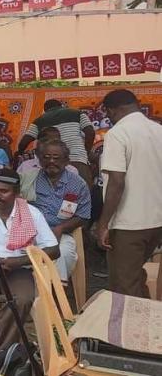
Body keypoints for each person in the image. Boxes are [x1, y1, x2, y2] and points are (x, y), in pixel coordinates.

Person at [0, 169, 59, 352]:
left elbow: (54, 250)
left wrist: (18, 262)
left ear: (16, 192)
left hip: (17, 267)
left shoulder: (31, 213)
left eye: (3, 191)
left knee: (22, 299)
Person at [95, 89, 162, 298]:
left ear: (112, 111)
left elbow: (117, 181)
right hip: (156, 221)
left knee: (124, 286)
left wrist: (103, 224)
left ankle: (135, 330)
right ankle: (149, 322)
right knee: (135, 279)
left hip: (129, 224)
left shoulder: (118, 134)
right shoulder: (158, 130)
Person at [22, 140, 91, 282]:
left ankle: (56, 292)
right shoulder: (28, 179)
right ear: (40, 160)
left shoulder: (78, 184)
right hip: (28, 233)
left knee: (64, 253)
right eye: (46, 157)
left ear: (66, 161)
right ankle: (28, 291)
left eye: (56, 158)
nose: (51, 161)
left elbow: (83, 216)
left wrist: (61, 228)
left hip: (61, 233)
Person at [17, 99, 95, 186]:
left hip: (53, 165)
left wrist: (19, 153)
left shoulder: (39, 120)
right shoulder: (78, 113)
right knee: (82, 194)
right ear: (61, 106)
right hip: (78, 161)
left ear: (45, 110)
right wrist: (86, 152)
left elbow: (24, 142)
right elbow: (90, 132)